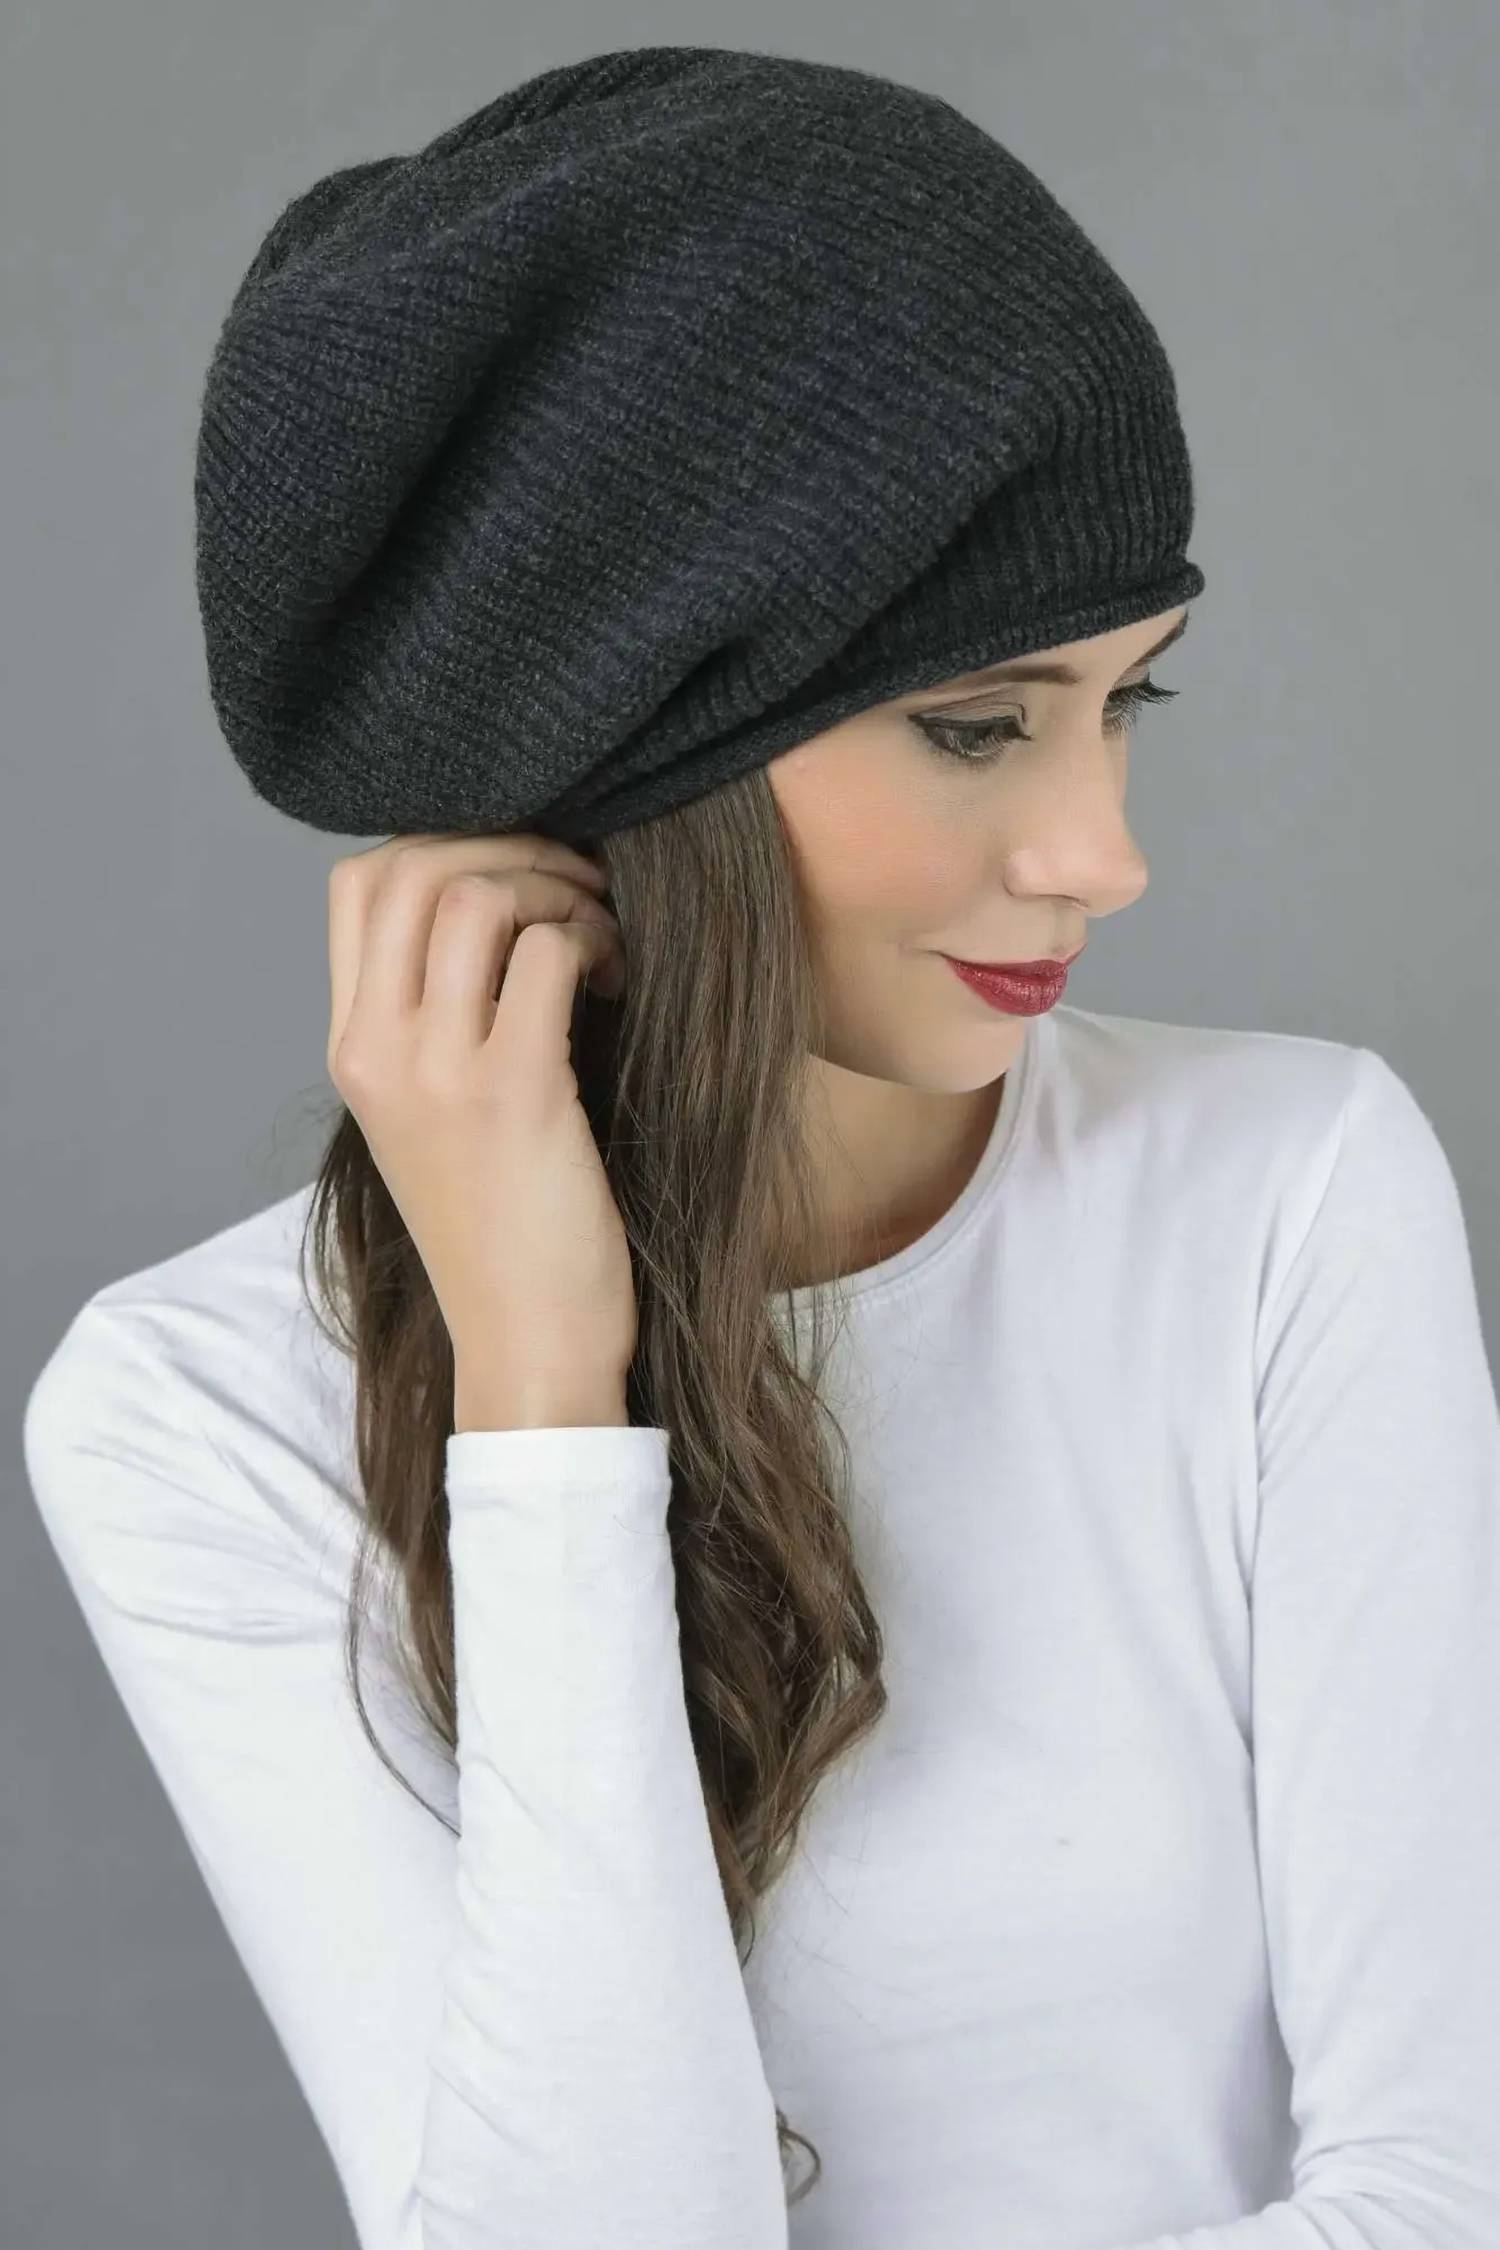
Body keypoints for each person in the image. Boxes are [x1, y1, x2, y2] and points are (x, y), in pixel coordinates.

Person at [23, 43, 1500, 2250]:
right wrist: (545, 1392)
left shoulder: (1286, 1200)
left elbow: (1444, 2193)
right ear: (630, 756)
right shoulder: (197, 1411)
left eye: (1129, 699)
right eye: (977, 724)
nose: (1105, 853)